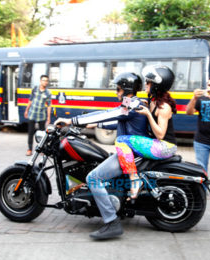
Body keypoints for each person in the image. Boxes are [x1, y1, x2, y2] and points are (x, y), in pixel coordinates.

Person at [55, 72, 148, 240]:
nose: (116, 92)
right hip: (129, 151)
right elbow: (118, 120)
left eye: (118, 89)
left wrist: (72, 121)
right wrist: (94, 124)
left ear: (126, 89)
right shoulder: (135, 103)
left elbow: (109, 113)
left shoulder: (131, 104)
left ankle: (111, 222)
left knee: (93, 178)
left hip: (129, 154)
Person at [114, 65, 177, 200]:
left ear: (156, 85)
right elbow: (122, 113)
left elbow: (160, 134)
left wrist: (148, 114)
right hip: (159, 145)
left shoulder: (164, 107)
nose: (146, 84)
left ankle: (134, 179)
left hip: (165, 147)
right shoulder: (152, 101)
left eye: (149, 82)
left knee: (121, 140)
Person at [24, 75, 52, 156]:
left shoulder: (48, 93)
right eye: (44, 80)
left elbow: (49, 105)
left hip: (41, 115)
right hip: (32, 113)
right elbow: (30, 100)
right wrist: (26, 110)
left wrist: (49, 117)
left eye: (47, 81)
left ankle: (42, 149)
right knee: (30, 132)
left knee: (42, 133)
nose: (45, 82)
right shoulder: (35, 89)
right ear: (40, 81)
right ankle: (29, 149)